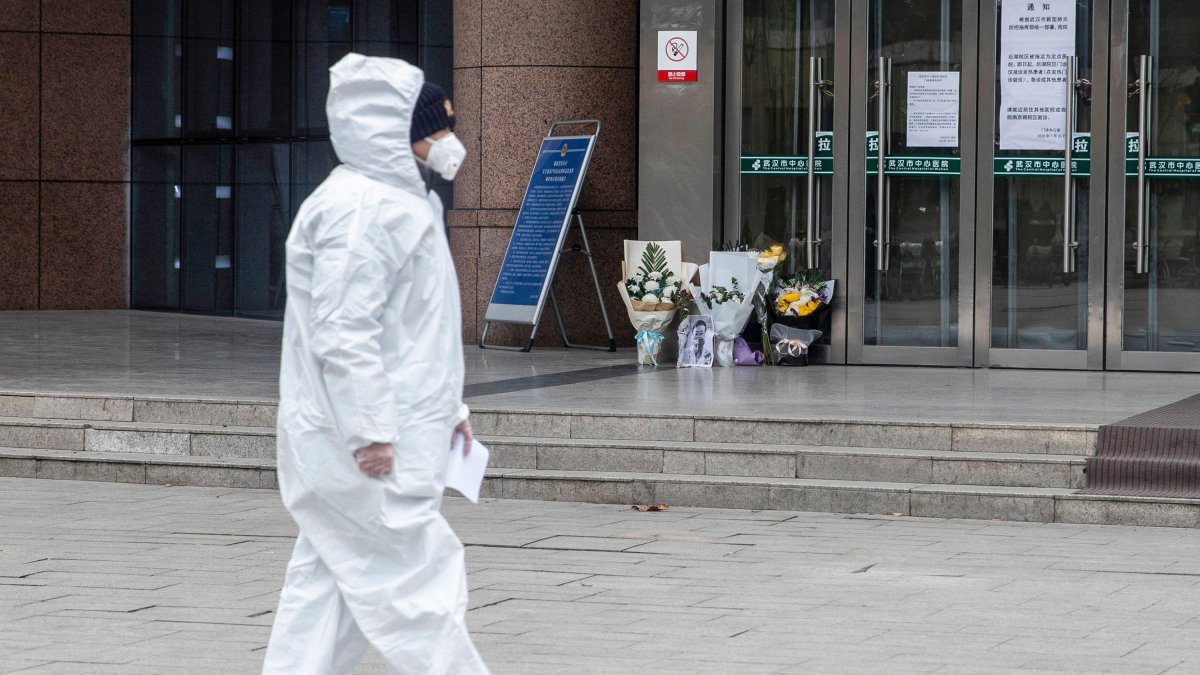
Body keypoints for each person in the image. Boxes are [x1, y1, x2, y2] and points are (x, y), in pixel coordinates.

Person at [262, 53, 489, 675]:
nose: (449, 141)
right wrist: (369, 434)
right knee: (417, 580)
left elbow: (416, 332)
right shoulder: (363, 211)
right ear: (397, 133)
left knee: (328, 582)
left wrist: (452, 411)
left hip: (389, 428)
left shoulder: (399, 202)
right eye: (437, 128)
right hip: (364, 442)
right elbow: (344, 332)